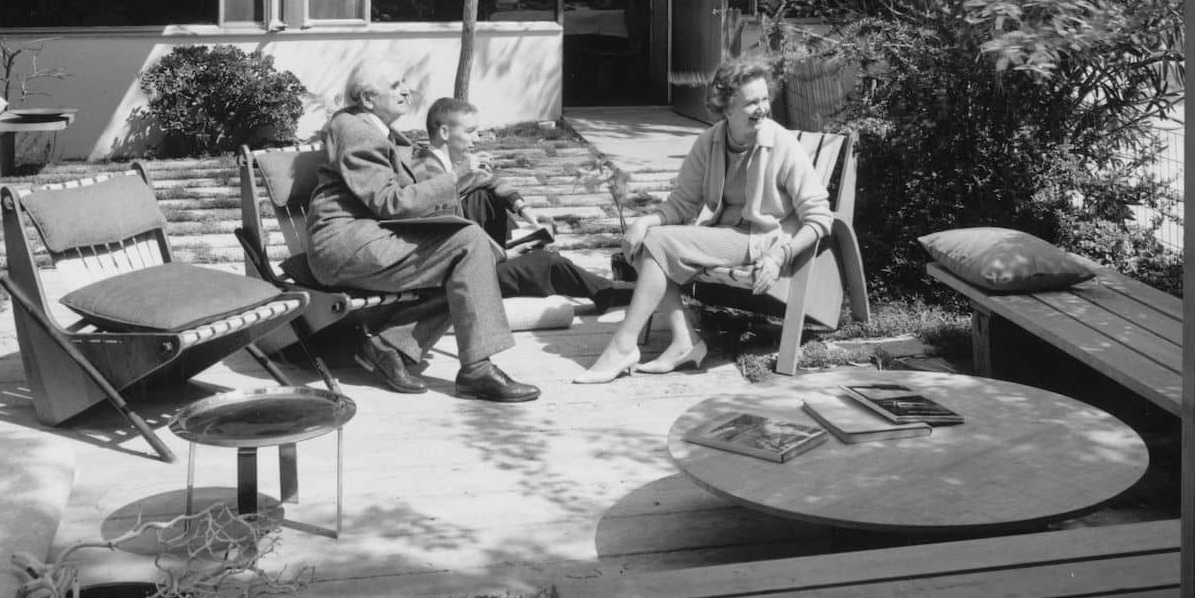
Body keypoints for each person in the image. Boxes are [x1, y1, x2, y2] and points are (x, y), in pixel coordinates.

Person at [573, 56, 832, 383]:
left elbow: (820, 216)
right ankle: (684, 341)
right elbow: (682, 203)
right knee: (646, 243)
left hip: (758, 241)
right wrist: (646, 220)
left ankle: (624, 345)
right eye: (752, 103)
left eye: (765, 99)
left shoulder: (780, 143)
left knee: (658, 243)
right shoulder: (710, 142)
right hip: (724, 235)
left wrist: (780, 255)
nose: (763, 108)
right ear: (726, 109)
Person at [304, 60, 540, 403]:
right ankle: (475, 369)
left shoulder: (375, 129)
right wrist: (456, 176)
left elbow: (409, 187)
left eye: (404, 83)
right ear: (369, 98)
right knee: (470, 244)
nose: (406, 90)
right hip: (343, 246)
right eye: (396, 85)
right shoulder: (357, 133)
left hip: (369, 236)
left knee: (471, 251)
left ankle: (388, 345)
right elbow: (390, 202)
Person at [416, 98, 630, 313]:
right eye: (470, 131)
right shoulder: (428, 174)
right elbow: (453, 234)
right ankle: (606, 293)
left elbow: (490, 181)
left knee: (485, 196)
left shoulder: (446, 165)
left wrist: (522, 208)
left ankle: (529, 252)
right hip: (459, 276)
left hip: (477, 256)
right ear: (444, 132)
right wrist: (506, 255)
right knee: (548, 263)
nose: (477, 138)